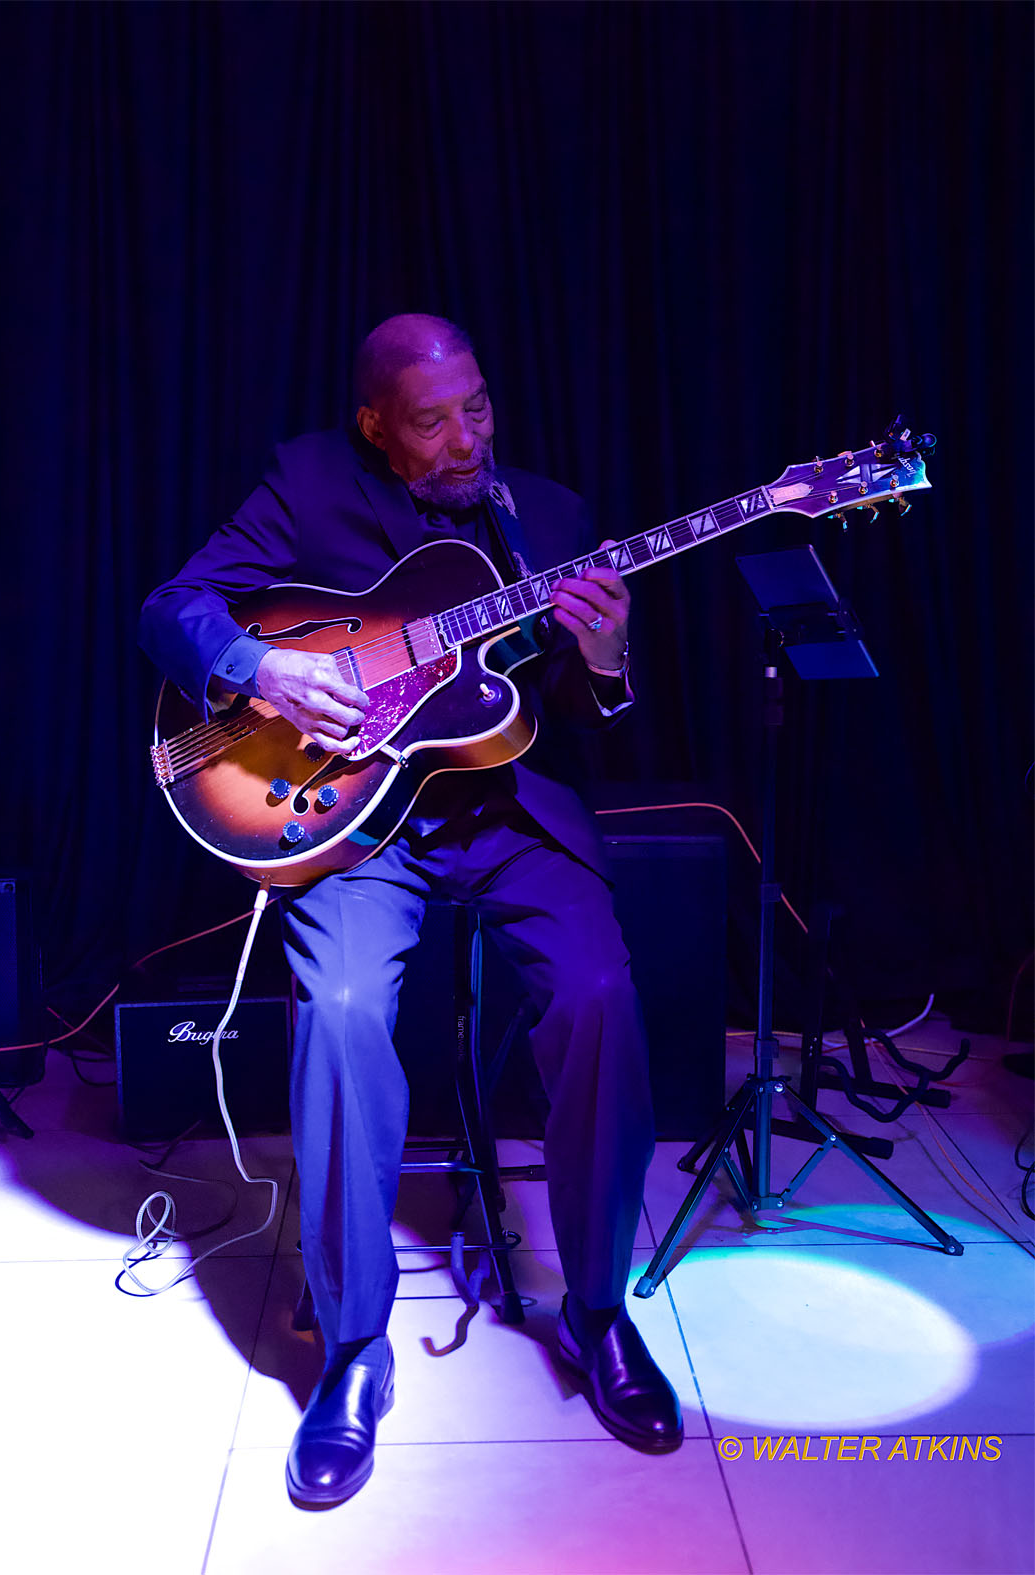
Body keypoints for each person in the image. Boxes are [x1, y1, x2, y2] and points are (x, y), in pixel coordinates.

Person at [139, 313, 682, 1509]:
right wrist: (259, 666)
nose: (464, 437)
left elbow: (595, 717)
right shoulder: (307, 481)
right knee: (335, 1011)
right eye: (431, 419)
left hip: (508, 816)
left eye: (477, 405)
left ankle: (597, 1308)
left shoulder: (551, 515)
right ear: (376, 422)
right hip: (352, 829)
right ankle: (352, 1348)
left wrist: (608, 663)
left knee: (599, 995)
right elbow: (170, 608)